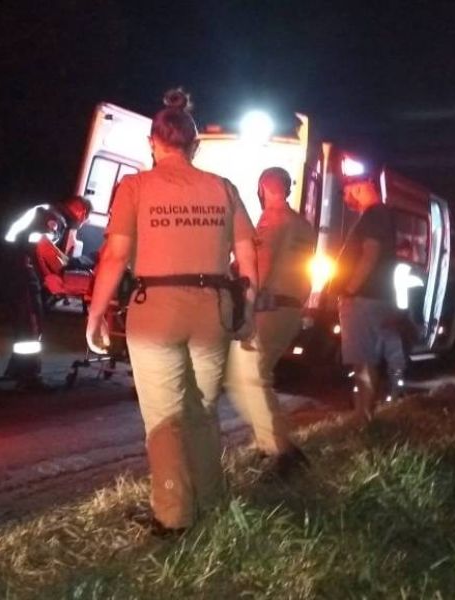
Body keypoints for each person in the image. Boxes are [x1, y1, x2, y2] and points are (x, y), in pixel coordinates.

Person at [85, 88, 258, 536]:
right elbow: (247, 253)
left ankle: (173, 515)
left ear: (153, 143)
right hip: (212, 310)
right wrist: (250, 309)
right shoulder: (223, 188)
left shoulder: (136, 188)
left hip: (156, 311)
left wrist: (96, 313)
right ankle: (213, 502)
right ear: (194, 145)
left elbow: (115, 256)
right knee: (201, 412)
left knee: (163, 416)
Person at [223, 167, 315, 476]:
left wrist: (242, 303)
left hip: (268, 310)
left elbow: (259, 268)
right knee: (253, 378)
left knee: (247, 378)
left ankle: (280, 452)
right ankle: (275, 445)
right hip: (290, 311)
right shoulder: (304, 225)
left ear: (263, 187)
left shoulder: (272, 220)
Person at [0, 195, 91, 388]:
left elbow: (43, 249)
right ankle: (29, 377)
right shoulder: (54, 218)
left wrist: (56, 270)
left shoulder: (47, 211)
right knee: (32, 323)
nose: (83, 223)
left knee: (24, 321)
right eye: (85, 219)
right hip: (21, 269)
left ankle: (16, 368)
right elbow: (38, 245)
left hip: (10, 267)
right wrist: (49, 276)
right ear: (81, 212)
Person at [336, 179, 406, 423]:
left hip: (364, 298)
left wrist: (349, 289)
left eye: (346, 194)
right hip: (373, 297)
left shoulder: (375, 215)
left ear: (358, 189)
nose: (345, 200)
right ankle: (363, 413)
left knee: (363, 361)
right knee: (365, 360)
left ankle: (362, 417)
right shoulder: (380, 215)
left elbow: (369, 255)